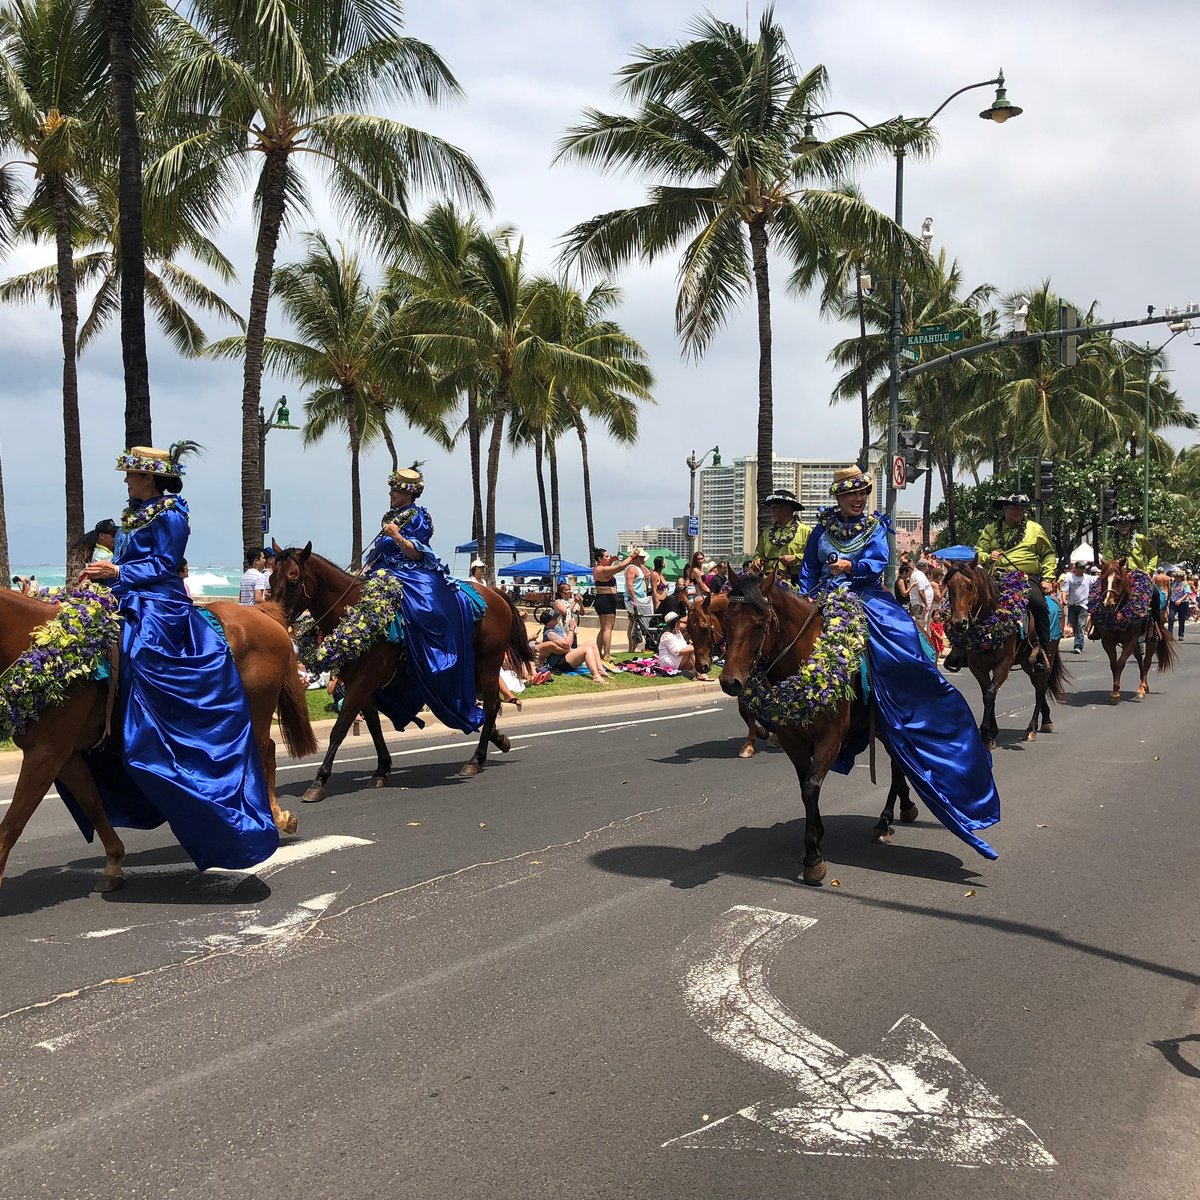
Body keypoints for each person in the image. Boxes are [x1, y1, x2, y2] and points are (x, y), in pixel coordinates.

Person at [69, 443, 279, 870]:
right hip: (126, 593)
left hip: (159, 601)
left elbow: (166, 565)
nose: (127, 481)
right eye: (128, 475)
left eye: (133, 475)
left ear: (151, 479)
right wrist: (101, 576)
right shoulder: (132, 514)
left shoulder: (171, 514)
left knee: (143, 652)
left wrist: (118, 572)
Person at [796, 464, 1001, 860]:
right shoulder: (822, 529)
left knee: (902, 646)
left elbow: (878, 564)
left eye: (863, 494)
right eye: (851, 494)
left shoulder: (875, 527)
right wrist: (805, 596)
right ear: (837, 497)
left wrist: (850, 567)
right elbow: (807, 567)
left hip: (867, 599)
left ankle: (908, 704)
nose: (858, 500)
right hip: (822, 598)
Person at [364, 464, 485, 734]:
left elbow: (417, 554)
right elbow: (379, 552)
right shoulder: (390, 515)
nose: (391, 495)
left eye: (395, 490)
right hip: (384, 570)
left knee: (426, 609)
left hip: (411, 572)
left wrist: (395, 536)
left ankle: (430, 658)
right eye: (391, 490)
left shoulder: (419, 517)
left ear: (408, 493)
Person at [951, 493, 1057, 674]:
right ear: (1004, 509)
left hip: (1025, 578)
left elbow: (1048, 554)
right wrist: (987, 556)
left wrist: (1047, 579)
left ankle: (1042, 651)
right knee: (958, 601)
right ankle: (961, 648)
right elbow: (979, 551)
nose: (1019, 511)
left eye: (1022, 508)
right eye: (1015, 507)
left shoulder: (1035, 529)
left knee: (1039, 604)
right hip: (995, 577)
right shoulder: (990, 529)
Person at [1101, 511, 1168, 642]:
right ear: (1116, 526)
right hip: (1118, 575)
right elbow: (1108, 560)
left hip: (1138, 576)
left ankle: (1155, 627)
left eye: (1126, 523)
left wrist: (1149, 570)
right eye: (1120, 524)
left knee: (1154, 593)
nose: (1123, 526)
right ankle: (1095, 627)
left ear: (1130, 525)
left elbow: (1153, 554)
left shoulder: (1140, 538)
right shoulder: (1110, 543)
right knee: (1098, 592)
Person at [752, 488, 812, 584]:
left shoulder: (806, 531)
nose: (772, 511)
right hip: (768, 579)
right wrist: (757, 560)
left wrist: (795, 558)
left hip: (796, 580)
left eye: (776, 507)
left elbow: (813, 557)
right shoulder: (767, 533)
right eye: (771, 507)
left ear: (788, 508)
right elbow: (758, 553)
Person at [535, 608, 611, 682]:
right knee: (587, 649)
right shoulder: (550, 633)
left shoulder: (555, 627)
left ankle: (600, 669)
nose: (557, 618)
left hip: (566, 655)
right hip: (559, 662)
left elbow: (567, 642)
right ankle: (596, 676)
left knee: (591, 643)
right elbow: (567, 644)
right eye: (554, 618)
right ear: (549, 622)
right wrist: (571, 629)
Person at [591, 546, 635, 665]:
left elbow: (610, 569)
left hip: (602, 599)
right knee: (608, 628)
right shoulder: (602, 570)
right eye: (606, 556)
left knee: (603, 628)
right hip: (606, 599)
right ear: (600, 559)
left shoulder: (597, 569)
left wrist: (611, 560)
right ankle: (606, 654)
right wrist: (632, 556)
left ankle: (599, 653)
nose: (609, 558)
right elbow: (620, 567)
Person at [656, 611, 710, 678]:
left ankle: (695, 671)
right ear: (674, 623)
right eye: (678, 622)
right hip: (668, 661)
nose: (680, 623)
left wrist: (691, 645)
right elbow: (677, 651)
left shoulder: (678, 632)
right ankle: (699, 673)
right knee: (691, 651)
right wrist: (694, 647)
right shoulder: (667, 635)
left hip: (677, 658)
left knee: (691, 655)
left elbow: (683, 646)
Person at [625, 546, 653, 652]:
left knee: (636, 622)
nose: (643, 560)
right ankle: (631, 647)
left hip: (639, 598)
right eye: (641, 557)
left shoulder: (639, 568)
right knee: (633, 622)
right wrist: (634, 599)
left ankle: (633, 647)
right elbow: (629, 585)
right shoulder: (632, 568)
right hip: (633, 599)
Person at [1060, 560, 1093, 653]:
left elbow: (1098, 584)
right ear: (1076, 568)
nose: (1082, 570)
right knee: (1074, 625)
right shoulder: (1070, 578)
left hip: (1083, 606)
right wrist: (1064, 600)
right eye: (1080, 568)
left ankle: (1078, 645)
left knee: (1080, 625)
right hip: (1072, 605)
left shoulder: (1088, 578)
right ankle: (1077, 641)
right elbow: (1064, 590)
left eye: (1083, 568)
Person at [908, 558, 934, 637]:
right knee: (921, 626)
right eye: (927, 566)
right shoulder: (920, 576)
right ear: (925, 566)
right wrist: (926, 604)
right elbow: (921, 592)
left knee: (920, 624)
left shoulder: (916, 574)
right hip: (920, 605)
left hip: (918, 603)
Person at [1169, 569, 1193, 639]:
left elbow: (1187, 593)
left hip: (1183, 603)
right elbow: (1170, 592)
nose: (1175, 578)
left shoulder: (1185, 584)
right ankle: (1169, 634)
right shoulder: (1173, 583)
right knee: (1171, 617)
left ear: (1180, 577)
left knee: (1181, 619)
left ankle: (1181, 634)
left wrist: (1180, 600)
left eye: (1177, 576)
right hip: (1173, 602)